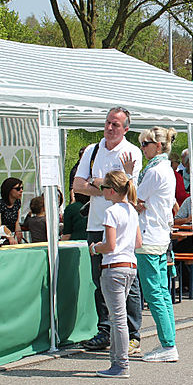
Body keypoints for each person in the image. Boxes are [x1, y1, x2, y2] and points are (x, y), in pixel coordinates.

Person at [72, 107, 143, 354]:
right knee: (99, 281)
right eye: (108, 123)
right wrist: (106, 184)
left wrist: (97, 182)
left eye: (116, 124)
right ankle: (105, 330)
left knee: (127, 281)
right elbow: (78, 186)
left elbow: (129, 188)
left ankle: (132, 334)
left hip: (122, 223)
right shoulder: (92, 150)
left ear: (126, 129)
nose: (110, 128)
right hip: (96, 223)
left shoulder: (131, 152)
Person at [88, 170, 142, 379]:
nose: (101, 192)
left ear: (111, 190)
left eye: (103, 188)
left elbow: (109, 245)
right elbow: (138, 242)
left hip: (114, 267)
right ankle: (117, 361)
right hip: (130, 265)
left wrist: (95, 248)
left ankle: (120, 364)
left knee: (117, 318)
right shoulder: (131, 210)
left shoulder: (112, 212)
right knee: (119, 317)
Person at [132, 127, 179, 363]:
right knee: (161, 292)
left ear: (158, 146)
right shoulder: (166, 169)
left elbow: (135, 198)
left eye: (146, 144)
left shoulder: (154, 172)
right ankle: (168, 341)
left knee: (154, 294)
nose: (143, 148)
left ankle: (168, 344)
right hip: (160, 236)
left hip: (150, 237)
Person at [0, 177, 24, 244]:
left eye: (22, 188)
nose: (21, 190)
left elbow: (16, 221)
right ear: (9, 190)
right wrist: (9, 237)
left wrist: (18, 231)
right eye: (18, 189)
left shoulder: (17, 202)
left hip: (11, 236)